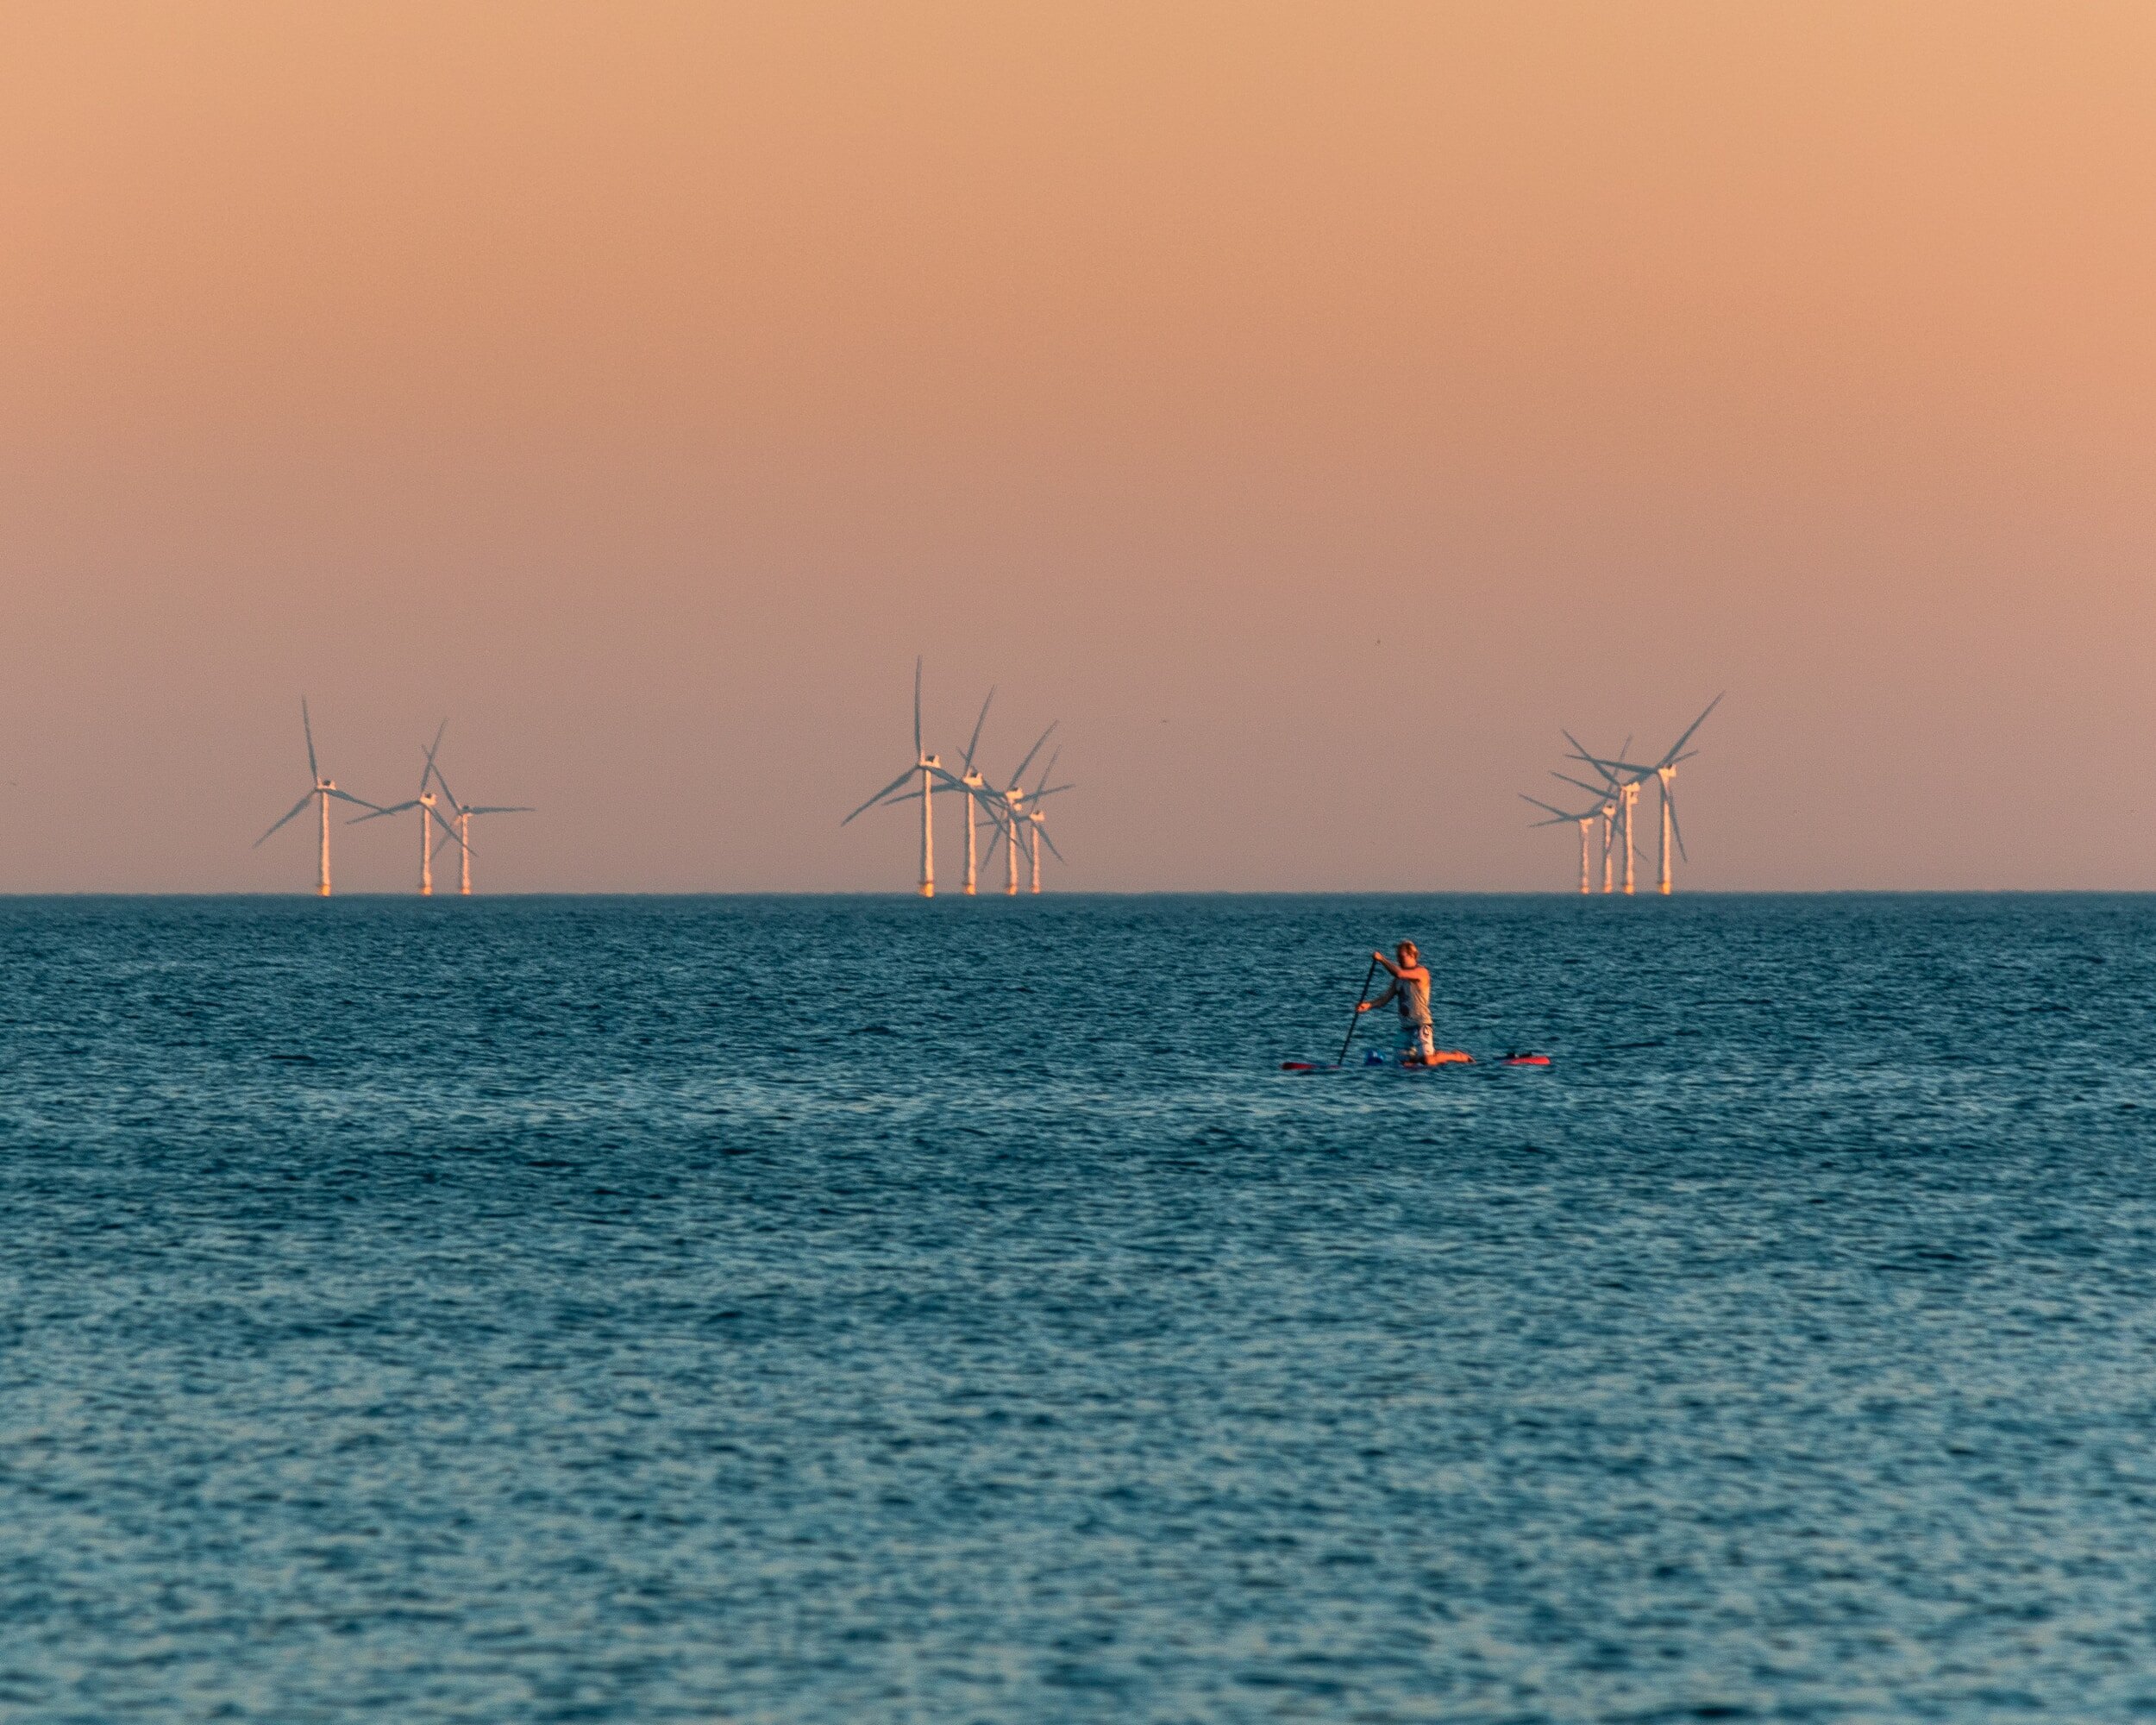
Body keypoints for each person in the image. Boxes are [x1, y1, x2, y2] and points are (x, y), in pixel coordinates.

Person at [1358, 940, 1436, 1065]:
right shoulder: (1397, 981)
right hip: (1405, 1028)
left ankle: (1456, 1056)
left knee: (1428, 1061)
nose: (1398, 960)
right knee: (1401, 1065)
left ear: (1412, 955)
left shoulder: (1422, 972)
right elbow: (1384, 999)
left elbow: (1399, 973)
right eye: (1397, 957)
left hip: (1421, 1025)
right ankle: (1413, 1058)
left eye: (1401, 957)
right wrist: (1368, 1005)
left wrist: (1382, 959)